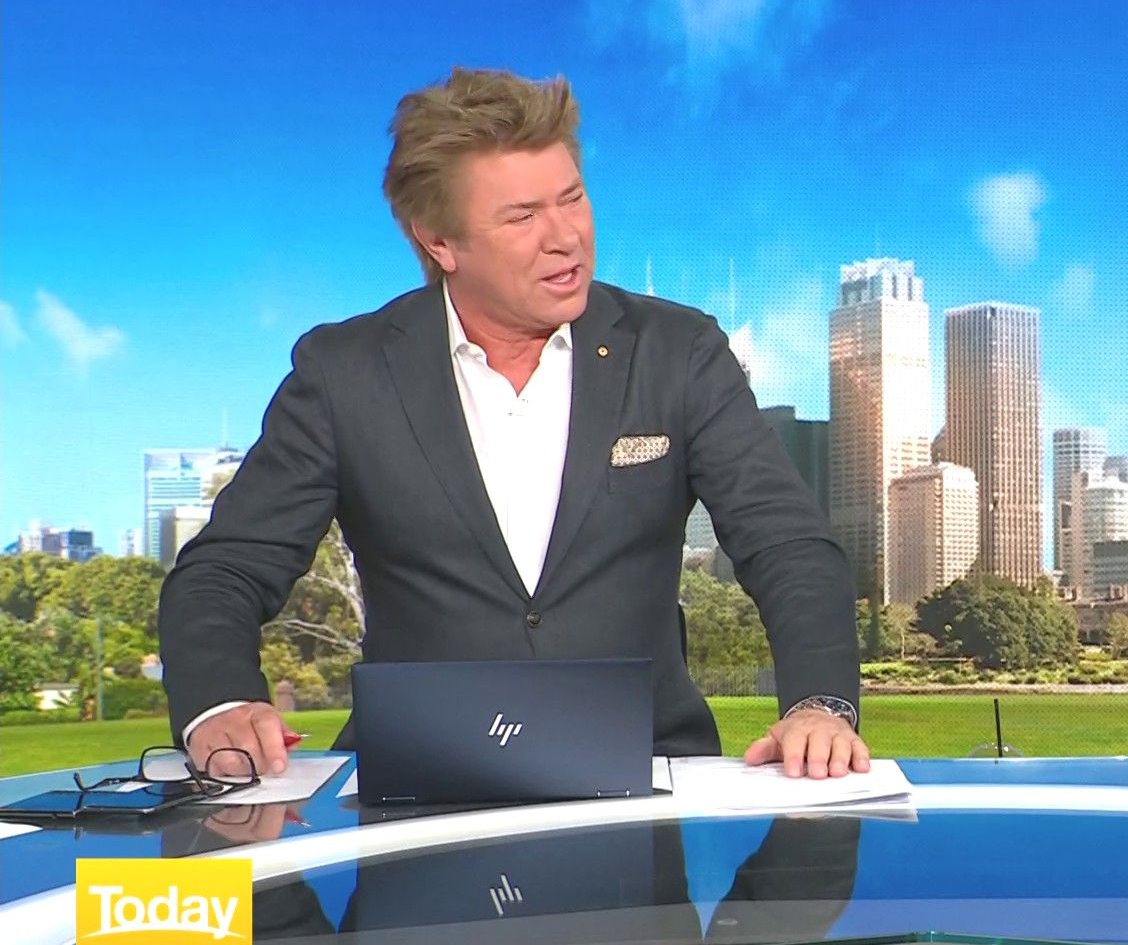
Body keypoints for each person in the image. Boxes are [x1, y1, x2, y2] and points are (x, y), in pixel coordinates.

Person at [159, 68, 867, 780]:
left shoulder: (677, 352)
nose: (566, 237)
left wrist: (821, 704)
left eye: (572, 198)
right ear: (440, 241)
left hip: (647, 773)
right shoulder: (345, 373)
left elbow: (788, 546)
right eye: (523, 217)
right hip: (414, 781)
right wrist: (220, 702)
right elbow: (225, 570)